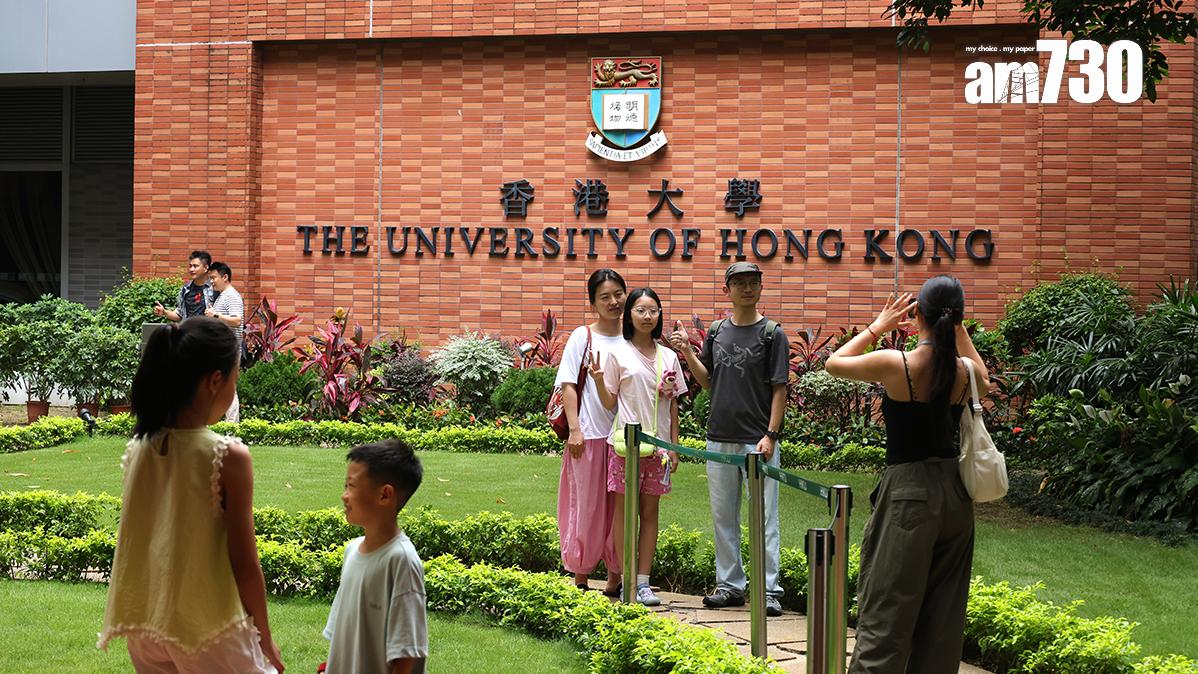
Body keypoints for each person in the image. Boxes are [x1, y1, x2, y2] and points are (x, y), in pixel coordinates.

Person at [98, 317, 284, 673]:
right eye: (234, 378)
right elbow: (245, 563)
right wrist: (264, 636)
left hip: (148, 626)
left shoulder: (139, 448)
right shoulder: (228, 455)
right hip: (207, 626)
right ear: (215, 381)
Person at [824, 276, 988, 673]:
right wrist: (958, 326)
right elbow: (983, 375)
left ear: (917, 316)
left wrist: (879, 326)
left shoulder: (898, 365)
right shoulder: (965, 372)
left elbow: (833, 364)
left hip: (908, 497)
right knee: (943, 624)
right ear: (958, 319)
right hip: (955, 496)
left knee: (887, 613)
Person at [669, 261, 788, 617]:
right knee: (724, 515)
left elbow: (780, 388)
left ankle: (769, 590)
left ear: (760, 288)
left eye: (753, 282)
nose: (747, 288)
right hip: (719, 436)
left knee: (765, 516)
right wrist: (689, 352)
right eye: (740, 283)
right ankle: (730, 585)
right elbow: (707, 382)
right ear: (727, 290)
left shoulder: (772, 333)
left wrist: (771, 435)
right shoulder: (718, 331)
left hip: (758, 440)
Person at [589, 287, 685, 606]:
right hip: (624, 448)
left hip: (657, 451)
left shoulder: (669, 356)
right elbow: (609, 402)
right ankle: (627, 576)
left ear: (659, 315)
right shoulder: (619, 354)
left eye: (653, 310)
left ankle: (644, 582)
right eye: (640, 310)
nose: (647, 316)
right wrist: (600, 380)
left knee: (650, 513)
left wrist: (674, 447)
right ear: (629, 314)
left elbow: (673, 407)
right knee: (623, 514)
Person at [323, 439, 428, 674]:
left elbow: (406, 654)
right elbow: (341, 634)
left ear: (384, 495)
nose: (344, 496)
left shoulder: (401, 560)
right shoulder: (352, 551)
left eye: (351, 486)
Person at [556, 268, 627, 595]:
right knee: (585, 506)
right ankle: (581, 577)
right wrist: (575, 429)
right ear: (593, 303)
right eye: (605, 297)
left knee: (619, 512)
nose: (614, 302)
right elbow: (568, 385)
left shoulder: (633, 338)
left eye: (618, 294)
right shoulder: (582, 337)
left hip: (625, 441)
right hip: (588, 436)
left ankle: (615, 578)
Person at [206, 261, 244, 422]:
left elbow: (236, 320)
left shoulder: (232, 296)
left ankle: (232, 426)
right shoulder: (222, 296)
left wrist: (215, 315)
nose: (212, 281)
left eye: (214, 277)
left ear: (225, 277)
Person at [154, 250, 216, 322]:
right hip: (188, 331)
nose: (191, 269)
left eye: (195, 266)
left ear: (206, 268)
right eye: (190, 266)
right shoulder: (185, 289)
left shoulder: (214, 288)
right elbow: (180, 315)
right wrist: (164, 312)